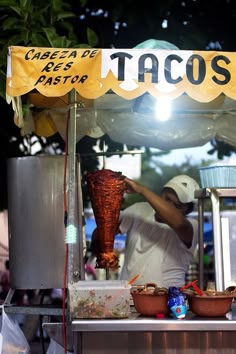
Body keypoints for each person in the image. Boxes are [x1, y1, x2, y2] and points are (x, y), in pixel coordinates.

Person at [118, 175, 200, 288]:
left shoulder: (193, 226)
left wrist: (142, 190)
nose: (168, 206)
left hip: (167, 299)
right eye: (167, 199)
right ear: (160, 194)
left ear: (187, 211)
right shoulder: (139, 209)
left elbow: (180, 224)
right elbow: (108, 229)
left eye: (177, 205)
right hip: (127, 296)